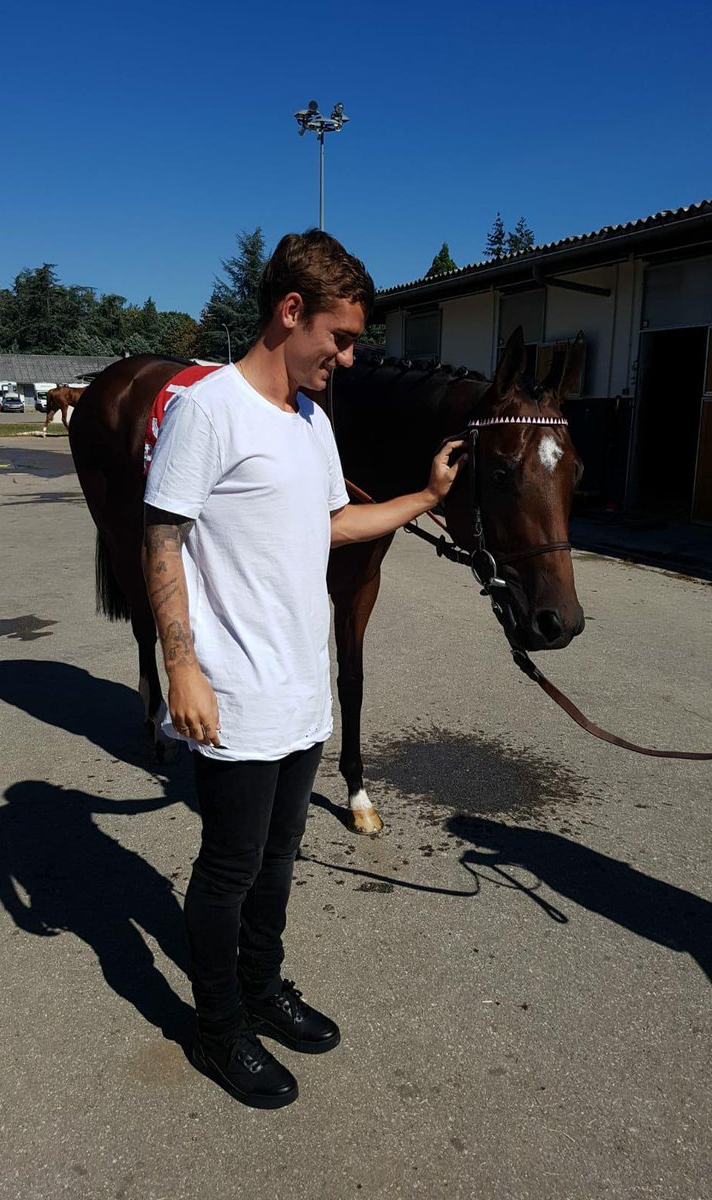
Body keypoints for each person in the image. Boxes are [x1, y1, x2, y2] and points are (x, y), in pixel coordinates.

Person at [142, 230, 466, 1109]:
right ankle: (218, 1028)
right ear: (291, 312)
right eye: (341, 337)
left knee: (281, 856)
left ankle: (261, 986)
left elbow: (331, 525)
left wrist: (425, 499)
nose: (348, 358)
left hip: (300, 689)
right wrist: (182, 668)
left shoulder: (312, 422)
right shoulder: (209, 410)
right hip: (234, 693)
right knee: (230, 867)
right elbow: (162, 539)